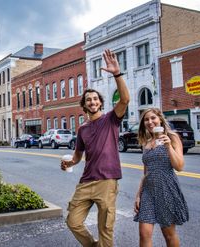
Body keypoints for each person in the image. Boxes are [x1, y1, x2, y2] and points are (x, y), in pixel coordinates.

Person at [61, 49, 130, 247]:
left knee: (105, 229)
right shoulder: (82, 129)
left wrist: (117, 73)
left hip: (107, 182)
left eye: (95, 99)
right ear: (84, 105)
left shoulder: (111, 120)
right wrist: (68, 163)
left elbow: (125, 100)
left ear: (100, 103)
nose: (92, 101)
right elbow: (77, 156)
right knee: (73, 222)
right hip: (86, 183)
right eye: (88, 99)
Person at [133, 108, 189, 247]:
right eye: (146, 119)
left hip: (166, 188)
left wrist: (168, 145)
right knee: (144, 233)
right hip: (148, 191)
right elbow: (146, 172)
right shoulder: (146, 142)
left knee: (168, 234)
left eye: (153, 118)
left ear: (160, 119)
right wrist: (138, 195)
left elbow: (179, 166)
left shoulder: (172, 137)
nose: (150, 122)